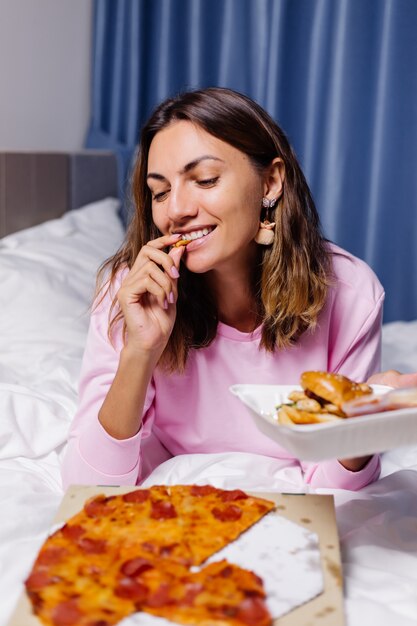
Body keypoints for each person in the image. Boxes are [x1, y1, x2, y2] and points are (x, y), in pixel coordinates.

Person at [62, 87, 386, 491]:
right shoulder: (130, 292)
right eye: (159, 192)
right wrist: (140, 351)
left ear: (270, 182)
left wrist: (361, 428)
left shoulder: (352, 293)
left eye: (205, 179)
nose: (176, 210)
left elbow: (337, 487)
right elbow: (89, 484)